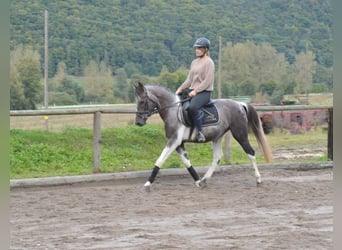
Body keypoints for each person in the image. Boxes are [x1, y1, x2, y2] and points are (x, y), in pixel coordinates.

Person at [176, 37, 215, 142]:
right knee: (178, 101)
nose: (197, 50)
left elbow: (207, 81)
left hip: (204, 92)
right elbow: (189, 79)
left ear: (206, 49)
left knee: (193, 107)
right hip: (193, 90)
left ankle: (200, 132)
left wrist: (196, 91)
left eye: (200, 48)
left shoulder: (209, 62)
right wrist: (180, 88)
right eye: (196, 48)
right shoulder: (194, 62)